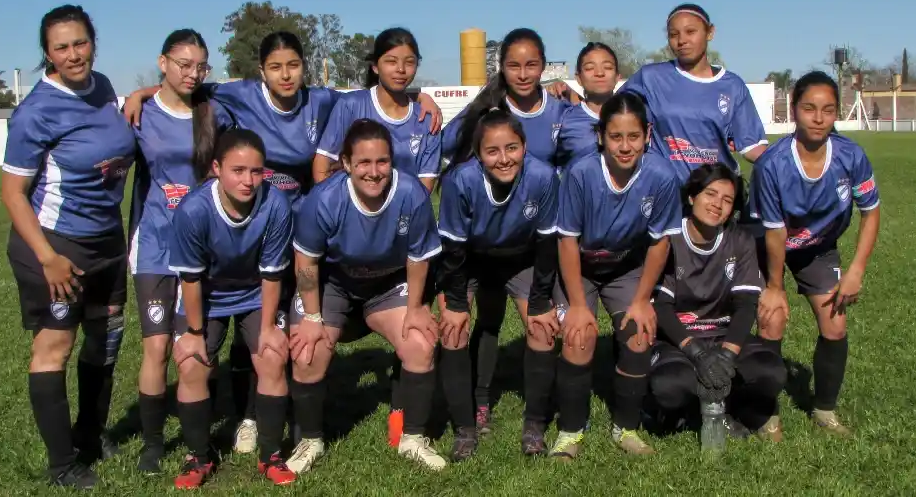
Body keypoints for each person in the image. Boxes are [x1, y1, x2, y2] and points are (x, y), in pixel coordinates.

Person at [122, 30, 443, 453]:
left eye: (294, 65)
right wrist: (144, 92)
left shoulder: (323, 100)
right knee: (247, 326)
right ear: (261, 71)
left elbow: (379, 89)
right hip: (247, 223)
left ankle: (282, 410)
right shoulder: (242, 95)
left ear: (304, 67)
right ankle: (248, 417)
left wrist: (419, 94)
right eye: (276, 67)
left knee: (274, 327)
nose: (286, 74)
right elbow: (190, 82)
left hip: (298, 229)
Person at [1, 5, 136, 489]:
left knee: (106, 340)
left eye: (80, 43)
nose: (74, 54)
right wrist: (48, 257)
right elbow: (12, 194)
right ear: (47, 54)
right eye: (62, 47)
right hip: (58, 246)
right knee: (55, 348)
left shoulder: (101, 87)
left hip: (107, 241)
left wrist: (139, 94)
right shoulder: (36, 111)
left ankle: (91, 436)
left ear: (93, 43)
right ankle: (62, 463)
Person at [289, 120, 445, 472]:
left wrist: (417, 307)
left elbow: (418, 256)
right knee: (307, 351)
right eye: (363, 163)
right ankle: (309, 440)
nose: (374, 172)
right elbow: (306, 261)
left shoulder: (412, 194)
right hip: (335, 285)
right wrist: (312, 318)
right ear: (346, 163)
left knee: (420, 343)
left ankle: (413, 438)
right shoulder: (323, 199)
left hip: (386, 286)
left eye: (382, 162)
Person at [549, 93, 681, 460]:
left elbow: (659, 243)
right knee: (579, 336)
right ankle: (571, 431)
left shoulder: (661, 176)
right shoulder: (581, 173)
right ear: (600, 136)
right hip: (581, 270)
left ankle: (626, 426)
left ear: (648, 135)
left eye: (633, 137)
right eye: (616, 137)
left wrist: (641, 300)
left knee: (639, 335)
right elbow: (567, 242)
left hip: (626, 270)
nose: (625, 146)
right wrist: (577, 304)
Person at [749, 71, 881, 438]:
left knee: (835, 326)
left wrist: (856, 270)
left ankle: (824, 411)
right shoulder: (772, 164)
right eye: (809, 108)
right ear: (794, 111)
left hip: (818, 248)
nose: (818, 118)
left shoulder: (851, 155)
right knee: (771, 320)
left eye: (827, 109)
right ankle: (766, 413)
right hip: (767, 246)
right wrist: (774, 286)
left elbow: (871, 213)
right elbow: (774, 233)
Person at [166, 129, 297, 488]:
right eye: (238, 170)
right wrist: (194, 334)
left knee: (271, 356)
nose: (248, 180)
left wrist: (268, 327)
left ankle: (270, 455)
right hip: (206, 296)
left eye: (256, 171)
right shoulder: (194, 210)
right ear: (216, 169)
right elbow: (190, 280)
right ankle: (198, 456)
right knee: (192, 366)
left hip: (256, 293)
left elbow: (272, 274)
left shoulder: (276, 205)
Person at [436, 107, 560, 459]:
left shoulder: (544, 176)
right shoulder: (461, 180)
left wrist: (540, 300)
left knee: (541, 328)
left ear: (524, 146)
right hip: (470, 260)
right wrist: (457, 303)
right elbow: (453, 250)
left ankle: (534, 425)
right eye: (492, 151)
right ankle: (466, 426)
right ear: (477, 154)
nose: (504, 158)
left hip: (521, 259)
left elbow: (548, 242)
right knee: (454, 329)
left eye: (512, 148)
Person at [649, 163, 787, 439]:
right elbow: (661, 307)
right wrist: (697, 353)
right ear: (691, 197)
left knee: (772, 372)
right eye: (710, 194)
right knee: (669, 386)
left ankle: (733, 406)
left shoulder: (740, 240)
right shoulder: (670, 239)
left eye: (727, 200)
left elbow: (746, 303)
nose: (717, 205)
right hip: (680, 339)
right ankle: (685, 411)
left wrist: (726, 354)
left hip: (724, 335)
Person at [126, 29, 211, 473]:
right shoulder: (139, 114)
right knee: (156, 347)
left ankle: (206, 430)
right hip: (155, 245)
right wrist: (138, 94)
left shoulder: (213, 109)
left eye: (201, 66)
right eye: (183, 64)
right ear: (163, 63)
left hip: (199, 250)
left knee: (193, 344)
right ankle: (153, 444)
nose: (193, 73)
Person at [617, 3, 769, 183]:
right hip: (665, 192)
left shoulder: (733, 86)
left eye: (690, 32)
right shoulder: (651, 77)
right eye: (674, 35)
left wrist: (798, 161)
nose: (681, 41)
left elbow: (753, 147)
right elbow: (612, 112)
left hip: (716, 195)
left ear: (710, 32)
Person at [314, 27, 443, 192]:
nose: (401, 69)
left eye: (409, 62)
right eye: (391, 61)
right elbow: (323, 162)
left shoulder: (427, 118)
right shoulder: (350, 105)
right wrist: (329, 204)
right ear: (375, 66)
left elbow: (425, 186)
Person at [443, 28, 571, 167]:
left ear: (543, 65)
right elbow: (438, 146)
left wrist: (574, 96)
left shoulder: (560, 110)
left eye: (531, 65)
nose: (523, 75)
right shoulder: (485, 108)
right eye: (514, 66)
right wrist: (421, 98)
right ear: (502, 67)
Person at [554, 42, 620, 167]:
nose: (599, 73)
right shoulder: (564, 119)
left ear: (617, 76)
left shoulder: (634, 115)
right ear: (578, 78)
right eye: (590, 68)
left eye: (608, 67)